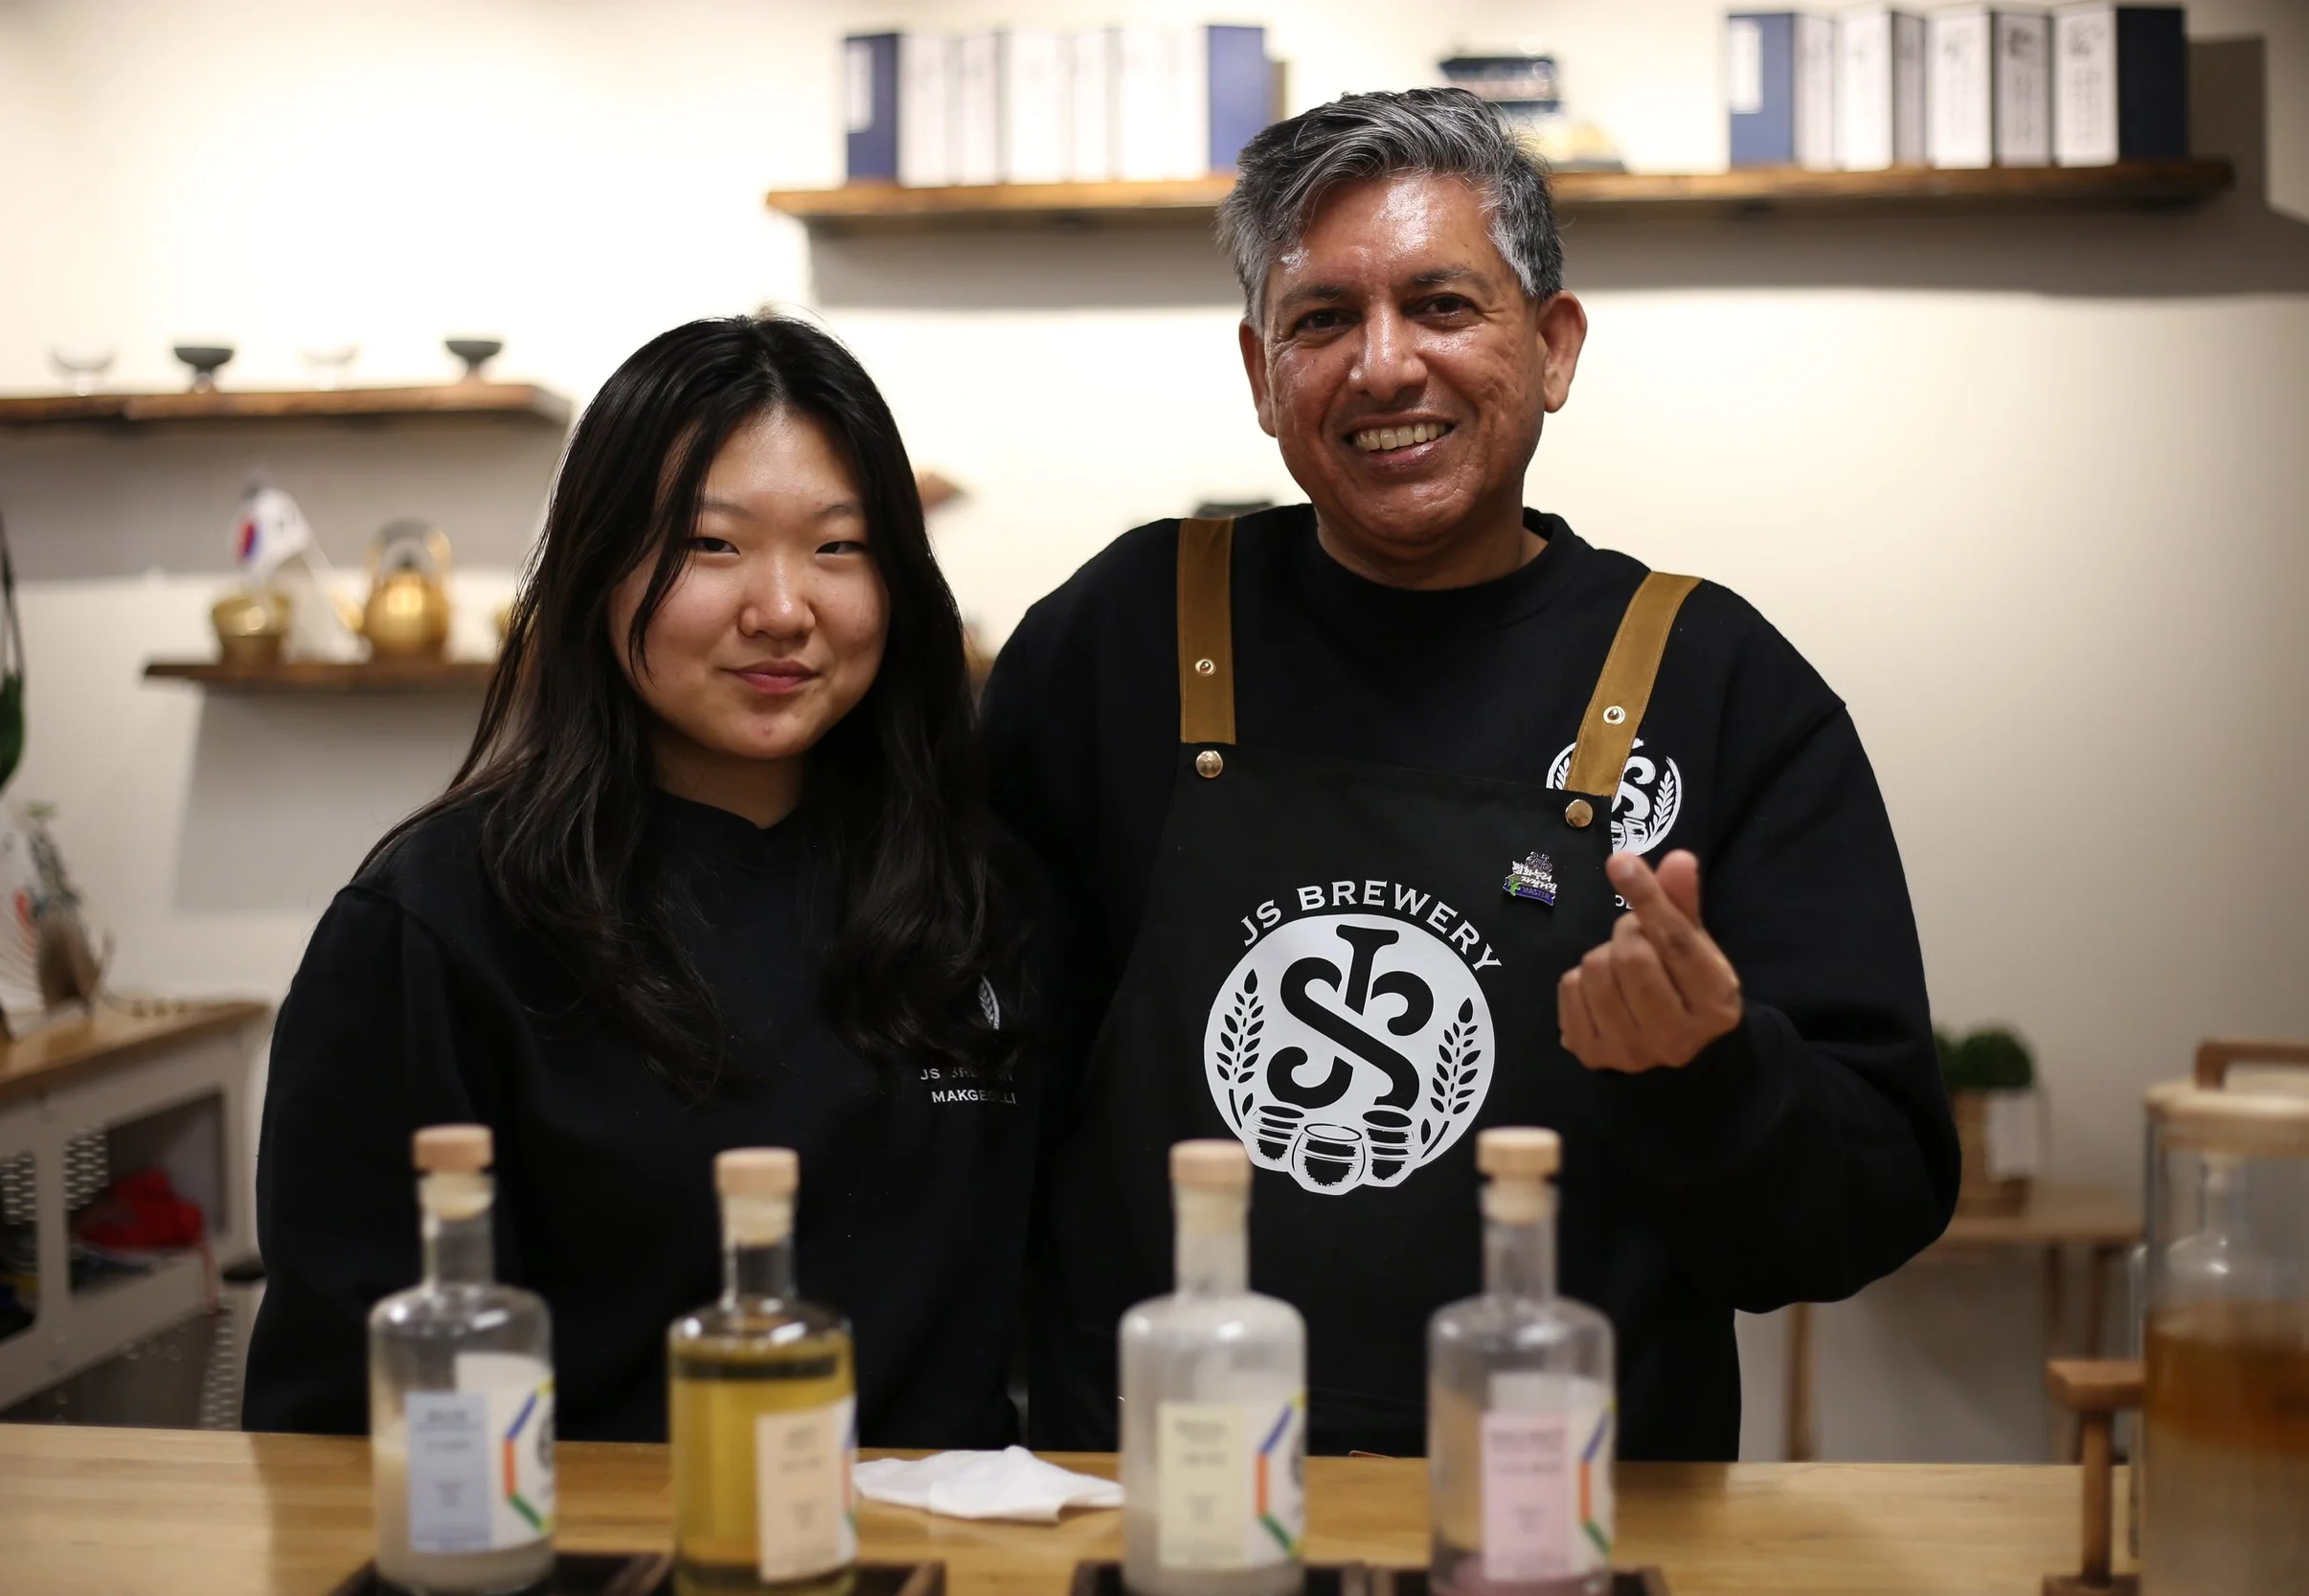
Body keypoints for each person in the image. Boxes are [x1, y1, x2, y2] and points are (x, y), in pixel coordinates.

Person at [982, 89, 1958, 1461]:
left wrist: (1710, 1068)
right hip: (1162, 1491)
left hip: (1572, 1508)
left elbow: (1868, 1208)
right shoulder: (1122, 637)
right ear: (1263, 372)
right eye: (1322, 320)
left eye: (1443, 305)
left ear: (1552, 347)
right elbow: (963, 1097)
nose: (1384, 368)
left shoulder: (1719, 684)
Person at [244, 315, 1045, 1447]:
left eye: (838, 545)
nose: (781, 607)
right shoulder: (437, 922)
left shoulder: (980, 894)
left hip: (951, 1554)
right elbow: (337, 1408)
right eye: (713, 546)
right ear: (597, 568)